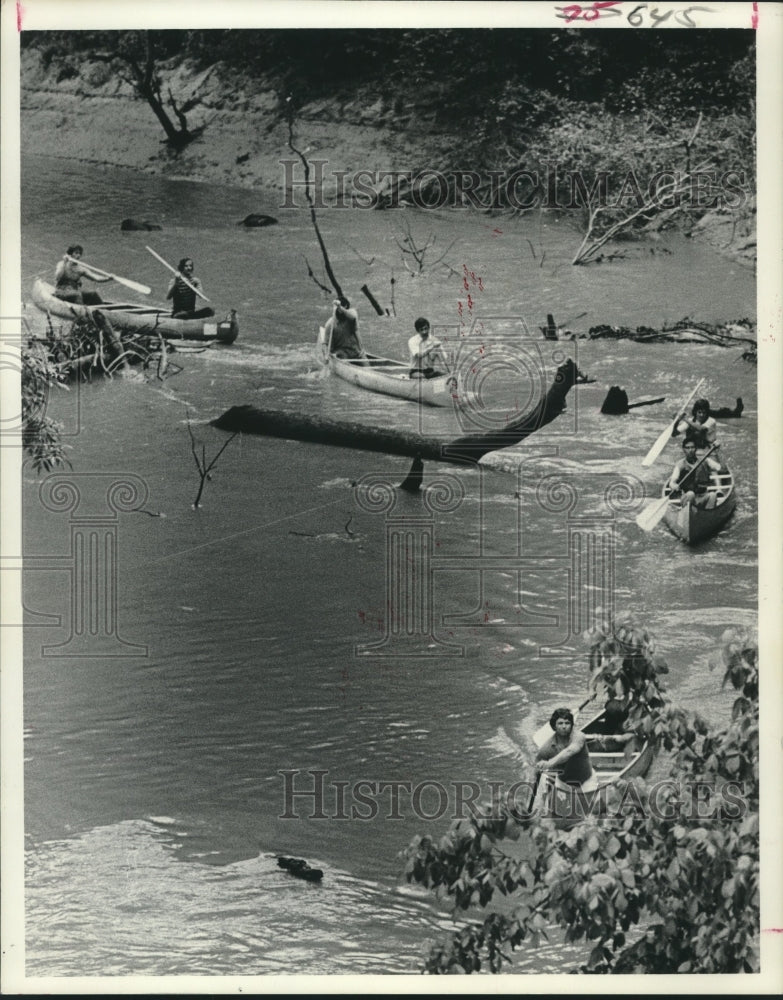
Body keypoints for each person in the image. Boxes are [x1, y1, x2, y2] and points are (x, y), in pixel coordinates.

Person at [535, 708, 596, 790]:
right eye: (560, 723)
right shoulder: (547, 748)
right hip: (563, 783)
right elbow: (536, 768)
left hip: (587, 780)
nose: (564, 726)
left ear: (571, 725)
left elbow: (569, 751)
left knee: (589, 802)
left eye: (567, 723)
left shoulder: (579, 736)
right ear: (554, 727)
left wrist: (549, 763)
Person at [667, 437, 722, 508]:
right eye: (687, 448)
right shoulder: (680, 465)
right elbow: (672, 482)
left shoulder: (705, 460)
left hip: (703, 496)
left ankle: (707, 515)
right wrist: (674, 486)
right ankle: (688, 512)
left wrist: (717, 451)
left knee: (712, 495)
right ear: (683, 449)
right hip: (688, 497)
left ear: (696, 449)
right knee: (690, 494)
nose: (690, 450)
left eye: (692, 447)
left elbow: (722, 469)